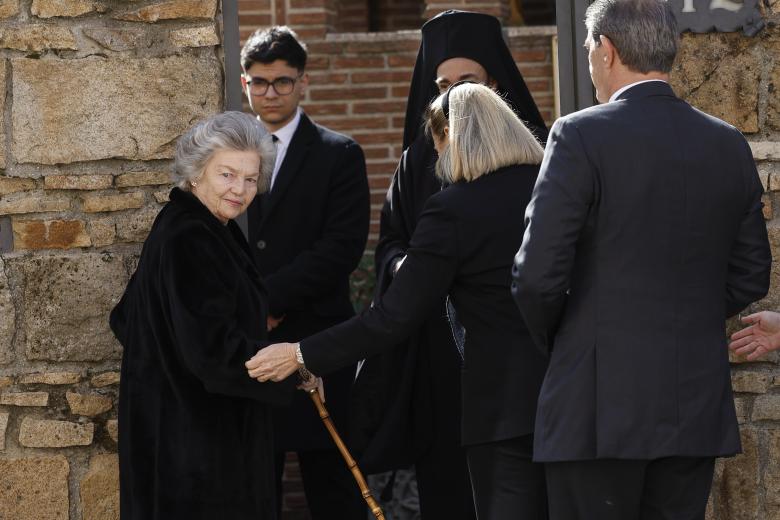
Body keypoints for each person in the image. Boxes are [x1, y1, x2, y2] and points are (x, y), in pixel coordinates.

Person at [511, 1, 772, 519]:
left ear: (606, 50)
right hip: (691, 404)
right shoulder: (727, 143)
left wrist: (574, 335)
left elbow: (537, 277)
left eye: (588, 47)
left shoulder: (578, 134)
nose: (589, 57)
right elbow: (750, 275)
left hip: (596, 406)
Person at [247, 83, 550, 520]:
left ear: (452, 137)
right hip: (572, 391)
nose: (438, 160)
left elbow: (392, 316)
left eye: (437, 145)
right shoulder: (551, 188)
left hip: (502, 404)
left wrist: (300, 353)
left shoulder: (453, 209)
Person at [357, 10, 548, 518]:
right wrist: (411, 267)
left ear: (495, 84)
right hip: (439, 349)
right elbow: (392, 242)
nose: (454, 95)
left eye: (468, 81)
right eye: (443, 85)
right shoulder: (418, 159)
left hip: (514, 350)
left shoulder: (536, 153)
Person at [109, 111, 294, 519]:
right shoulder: (191, 235)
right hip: (198, 452)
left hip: (177, 436)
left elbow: (125, 318)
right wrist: (291, 369)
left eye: (250, 179)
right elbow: (213, 354)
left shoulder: (198, 224)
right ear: (196, 173)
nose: (240, 189)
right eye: (227, 175)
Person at [240, 26, 370, 519]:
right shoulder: (227, 154)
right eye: (259, 82)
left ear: (303, 82)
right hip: (247, 343)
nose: (270, 93)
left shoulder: (339, 153)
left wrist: (270, 301)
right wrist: (251, 309)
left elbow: (341, 248)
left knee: (333, 483)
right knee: (252, 484)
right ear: (246, 82)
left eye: (282, 81)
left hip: (318, 340)